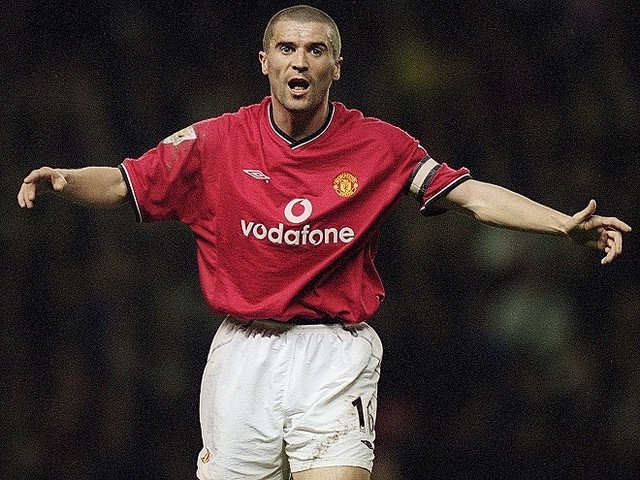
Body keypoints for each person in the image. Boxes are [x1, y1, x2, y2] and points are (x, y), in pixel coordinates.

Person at [17, 5, 631, 480]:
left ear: (336, 66)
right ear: (264, 62)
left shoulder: (380, 145)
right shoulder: (215, 141)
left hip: (335, 355)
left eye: (316, 50)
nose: (300, 62)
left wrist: (561, 224)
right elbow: (124, 182)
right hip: (243, 354)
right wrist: (66, 179)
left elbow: (468, 195)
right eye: (287, 49)